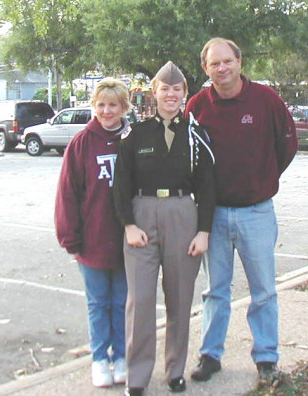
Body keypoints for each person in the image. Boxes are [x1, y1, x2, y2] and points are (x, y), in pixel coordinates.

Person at [184, 37, 298, 384]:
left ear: (239, 62)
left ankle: (266, 358)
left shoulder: (266, 100)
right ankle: (210, 355)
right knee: (215, 290)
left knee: (263, 290)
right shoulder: (197, 106)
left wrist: (264, 176)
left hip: (257, 213)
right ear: (206, 69)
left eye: (227, 61)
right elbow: (188, 157)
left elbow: (287, 145)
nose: (221, 68)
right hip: (213, 216)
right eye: (214, 64)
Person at [113, 61, 215, 396]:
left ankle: (175, 370)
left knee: (180, 298)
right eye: (164, 89)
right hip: (142, 215)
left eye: (177, 89)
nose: (171, 95)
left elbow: (208, 187)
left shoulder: (196, 135)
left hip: (183, 214)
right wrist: (128, 225)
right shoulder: (136, 134)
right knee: (140, 300)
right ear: (154, 92)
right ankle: (138, 375)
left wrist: (203, 231)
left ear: (185, 93)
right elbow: (121, 184)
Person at [55, 77, 132, 388]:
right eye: (100, 105)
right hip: (93, 241)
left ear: (124, 107)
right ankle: (100, 359)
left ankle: (123, 356)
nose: (106, 110)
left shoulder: (134, 141)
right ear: (93, 106)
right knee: (98, 303)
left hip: (129, 241)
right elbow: (67, 195)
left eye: (113, 105)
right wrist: (70, 239)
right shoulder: (81, 144)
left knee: (123, 303)